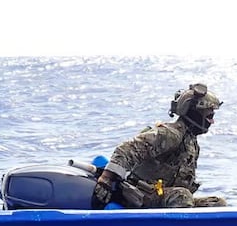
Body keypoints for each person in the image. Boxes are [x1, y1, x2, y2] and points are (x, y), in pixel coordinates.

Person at [91, 83, 227, 209]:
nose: (212, 121)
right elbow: (127, 149)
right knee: (182, 196)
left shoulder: (191, 142)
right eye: (209, 117)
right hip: (139, 194)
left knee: (217, 203)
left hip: (163, 195)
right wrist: (106, 179)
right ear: (194, 113)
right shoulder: (170, 134)